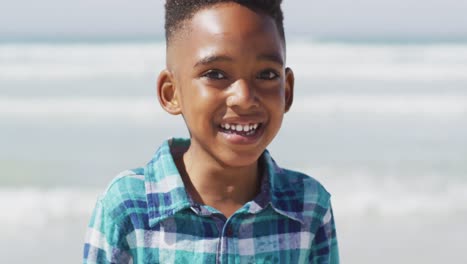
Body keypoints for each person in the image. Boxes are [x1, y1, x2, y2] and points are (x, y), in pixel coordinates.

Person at [83, 1, 339, 263]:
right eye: (215, 74)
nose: (244, 97)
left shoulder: (309, 206)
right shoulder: (128, 207)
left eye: (266, 74)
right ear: (171, 93)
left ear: (287, 91)